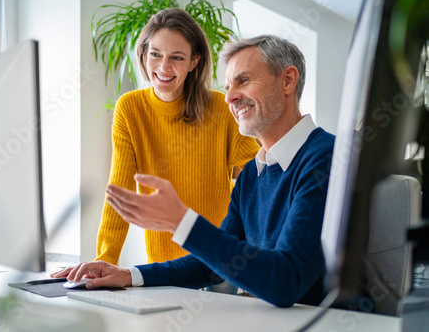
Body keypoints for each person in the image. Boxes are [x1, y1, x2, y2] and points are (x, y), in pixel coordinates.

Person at [53, 35, 335, 307]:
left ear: (287, 80)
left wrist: (181, 222)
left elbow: (286, 281)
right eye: (227, 87)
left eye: (244, 81)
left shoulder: (326, 157)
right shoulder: (252, 174)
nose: (230, 98)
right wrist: (128, 275)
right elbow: (211, 267)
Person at [92, 8, 259, 265]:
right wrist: (105, 258)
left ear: (194, 62)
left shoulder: (220, 108)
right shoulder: (130, 108)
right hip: (162, 264)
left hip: (217, 259)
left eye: (177, 58)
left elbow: (260, 175)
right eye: (155, 54)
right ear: (144, 54)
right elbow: (120, 190)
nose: (164, 67)